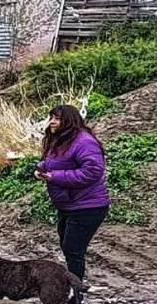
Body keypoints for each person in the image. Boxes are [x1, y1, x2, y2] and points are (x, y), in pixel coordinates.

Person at [35, 104, 109, 281]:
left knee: (73, 249)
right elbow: (57, 161)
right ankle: (73, 284)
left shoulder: (84, 142)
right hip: (68, 204)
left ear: (69, 121)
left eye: (57, 119)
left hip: (88, 205)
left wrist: (54, 176)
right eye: (51, 118)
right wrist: (41, 168)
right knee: (67, 246)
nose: (52, 122)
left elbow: (92, 171)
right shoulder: (61, 139)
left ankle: (75, 290)